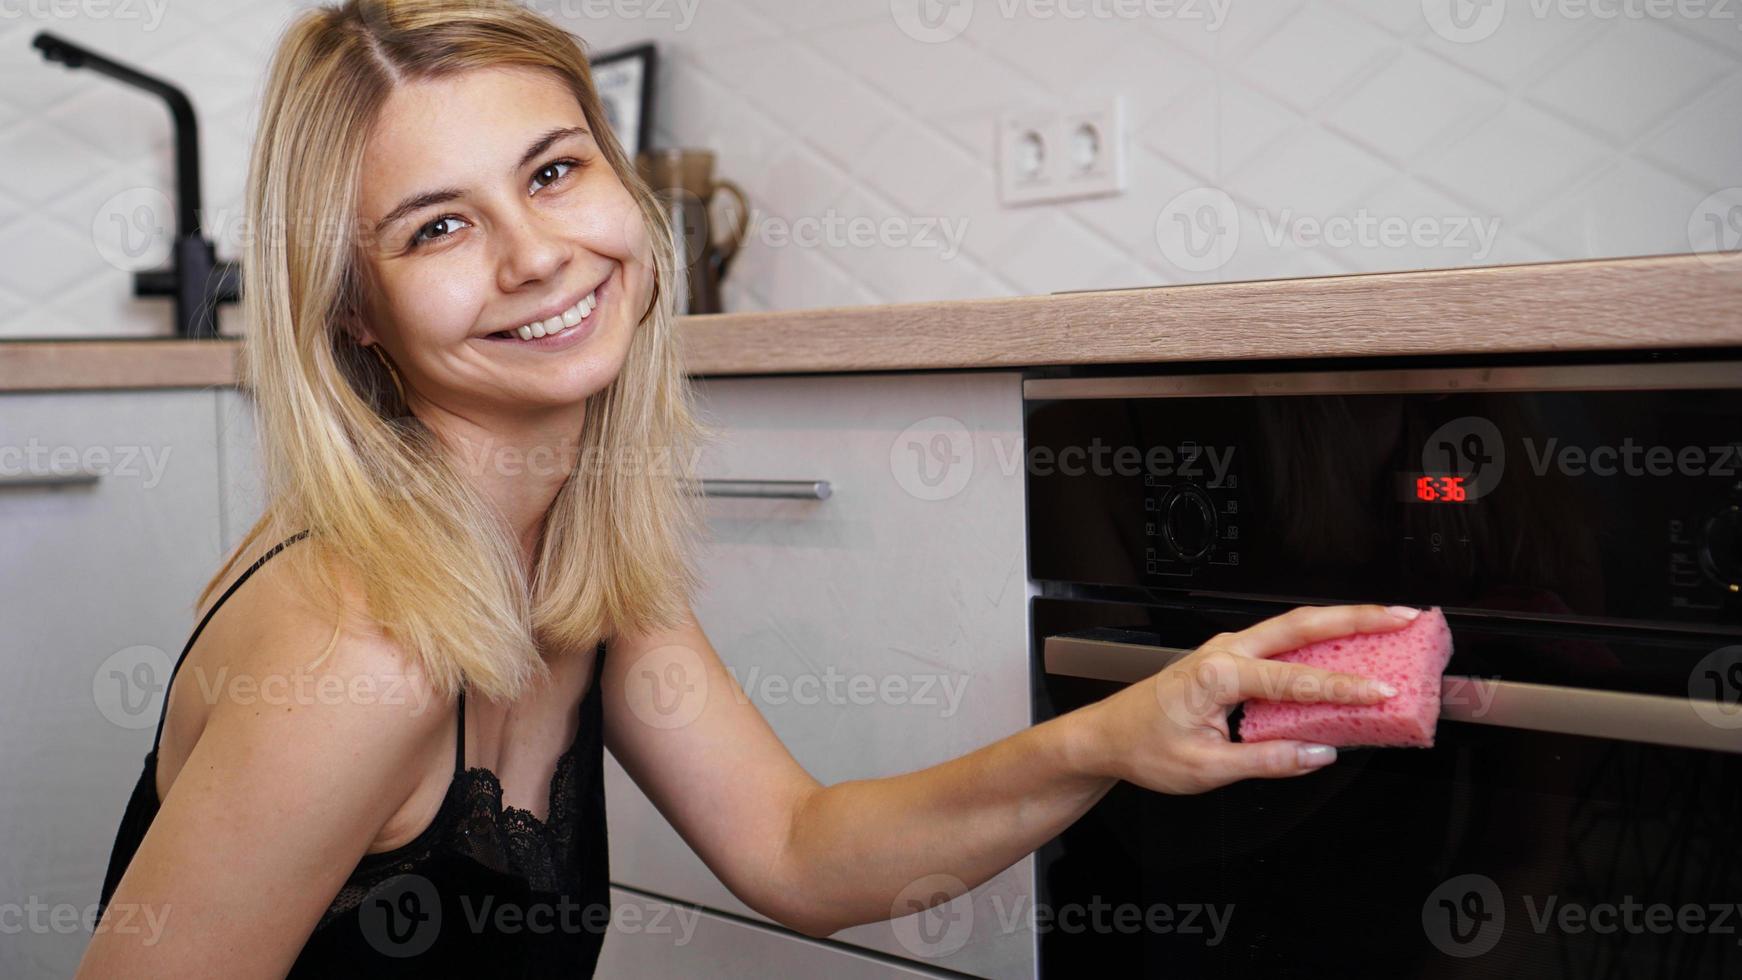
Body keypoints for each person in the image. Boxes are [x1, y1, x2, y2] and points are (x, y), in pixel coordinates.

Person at [77, 1, 1411, 975]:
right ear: (354, 314)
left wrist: (1117, 733)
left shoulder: (571, 570)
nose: (537, 254)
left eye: (552, 171)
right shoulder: (358, 659)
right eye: (438, 226)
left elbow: (797, 850)